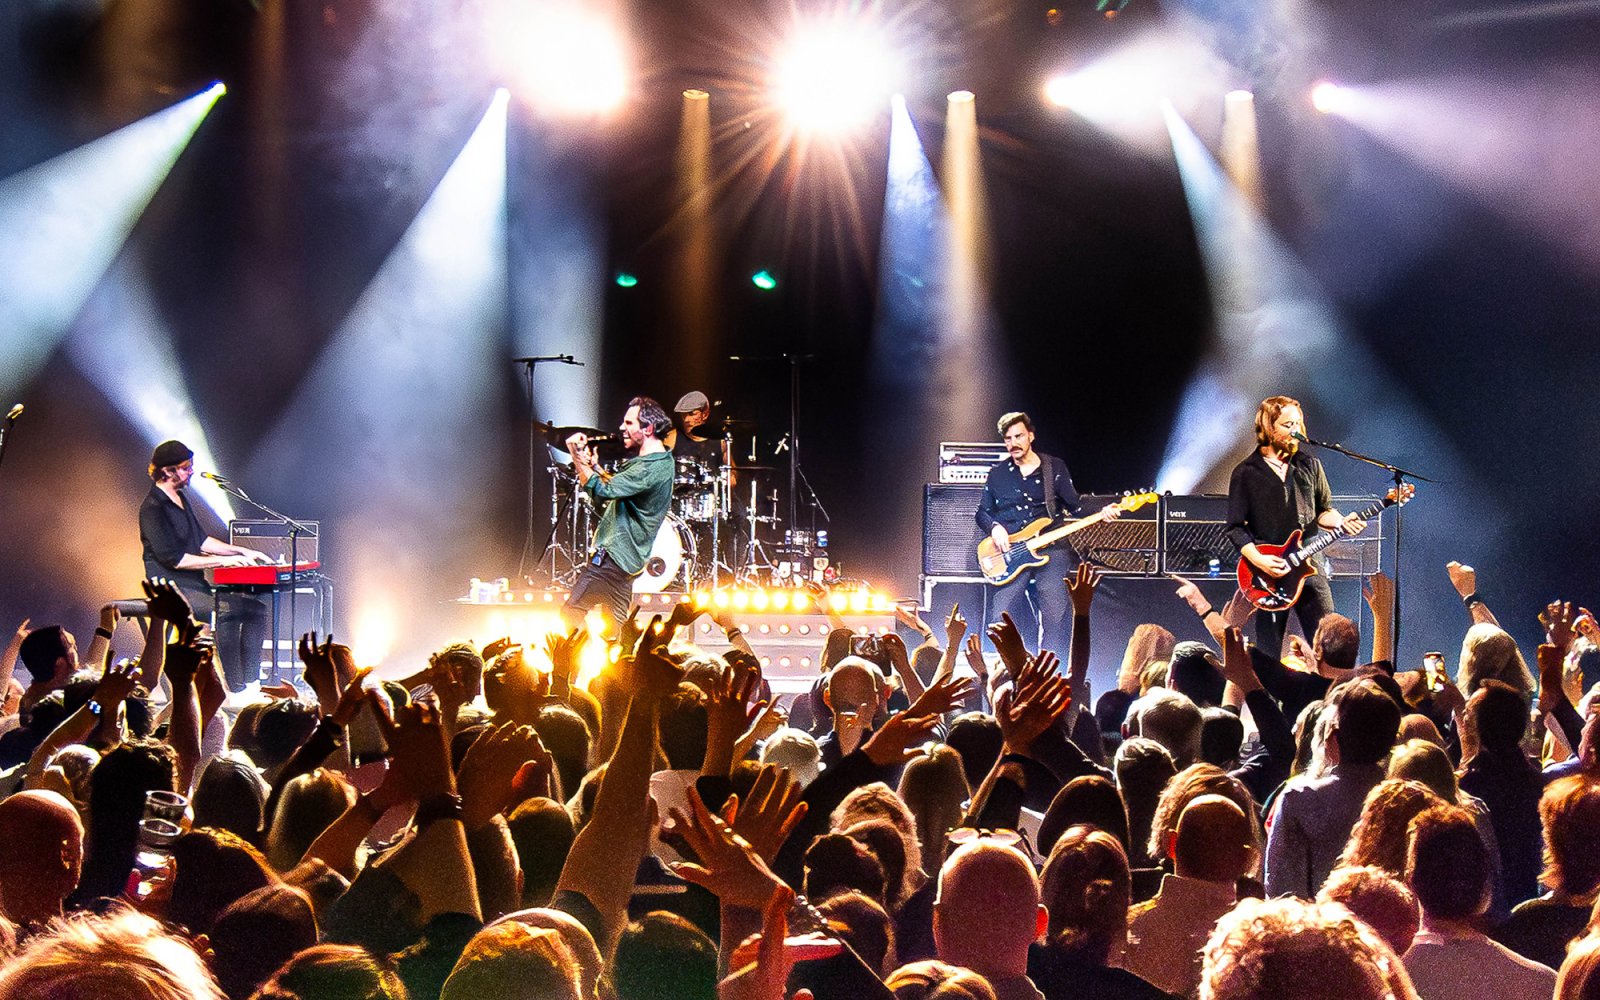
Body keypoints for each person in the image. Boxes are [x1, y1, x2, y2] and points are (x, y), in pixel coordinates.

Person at [1226, 396, 1366, 657]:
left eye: (1299, 423)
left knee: (1328, 642)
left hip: (1309, 565)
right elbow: (1235, 527)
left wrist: (1341, 521)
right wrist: (1259, 560)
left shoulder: (1310, 465)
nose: (1296, 430)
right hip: (1268, 571)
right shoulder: (1246, 472)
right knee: (1268, 652)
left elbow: (1324, 511)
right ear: (1269, 428)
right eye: (1288, 424)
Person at [976, 412, 1118, 657]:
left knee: (1054, 611)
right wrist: (995, 527)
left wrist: (1102, 510)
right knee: (1000, 613)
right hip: (1013, 551)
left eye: (1019, 436)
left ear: (1031, 436)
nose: (1013, 443)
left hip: (1051, 545)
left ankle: (1052, 666)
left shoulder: (1054, 468)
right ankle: (1008, 667)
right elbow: (982, 512)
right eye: (1008, 439)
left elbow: (1076, 505)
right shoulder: (997, 474)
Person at [138, 439, 272, 691]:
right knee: (228, 610)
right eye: (186, 467)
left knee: (255, 609)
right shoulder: (153, 508)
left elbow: (201, 540)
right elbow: (175, 559)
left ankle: (249, 680)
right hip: (171, 590)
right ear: (167, 471)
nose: (191, 472)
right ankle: (236, 685)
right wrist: (225, 561)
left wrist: (243, 550)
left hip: (194, 586)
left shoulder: (180, 498)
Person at [561, 398, 676, 629]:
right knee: (615, 632)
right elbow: (619, 491)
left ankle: (569, 654)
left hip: (613, 560)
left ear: (648, 428)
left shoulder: (649, 467)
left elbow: (603, 491)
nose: (622, 427)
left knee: (570, 615)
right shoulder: (658, 461)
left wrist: (575, 455)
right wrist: (594, 468)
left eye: (629, 423)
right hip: (627, 564)